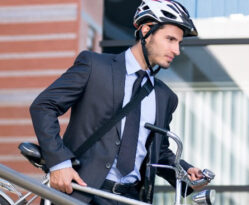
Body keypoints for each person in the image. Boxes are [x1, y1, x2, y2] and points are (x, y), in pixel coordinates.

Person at [30, 0, 207, 204]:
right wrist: (59, 163)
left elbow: (159, 153)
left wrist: (185, 172)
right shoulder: (95, 67)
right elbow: (44, 106)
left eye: (179, 43)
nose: (176, 50)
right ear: (146, 30)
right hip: (81, 191)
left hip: (131, 198)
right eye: (170, 39)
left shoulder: (165, 97)